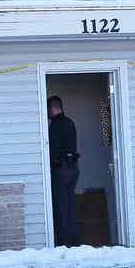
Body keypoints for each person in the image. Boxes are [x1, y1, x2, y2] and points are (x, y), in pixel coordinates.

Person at [48, 96, 80, 247]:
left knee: (61, 206)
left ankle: (64, 243)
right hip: (73, 168)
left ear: (53, 108)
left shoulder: (55, 125)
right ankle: (74, 240)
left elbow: (53, 149)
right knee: (70, 205)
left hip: (61, 169)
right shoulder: (70, 122)